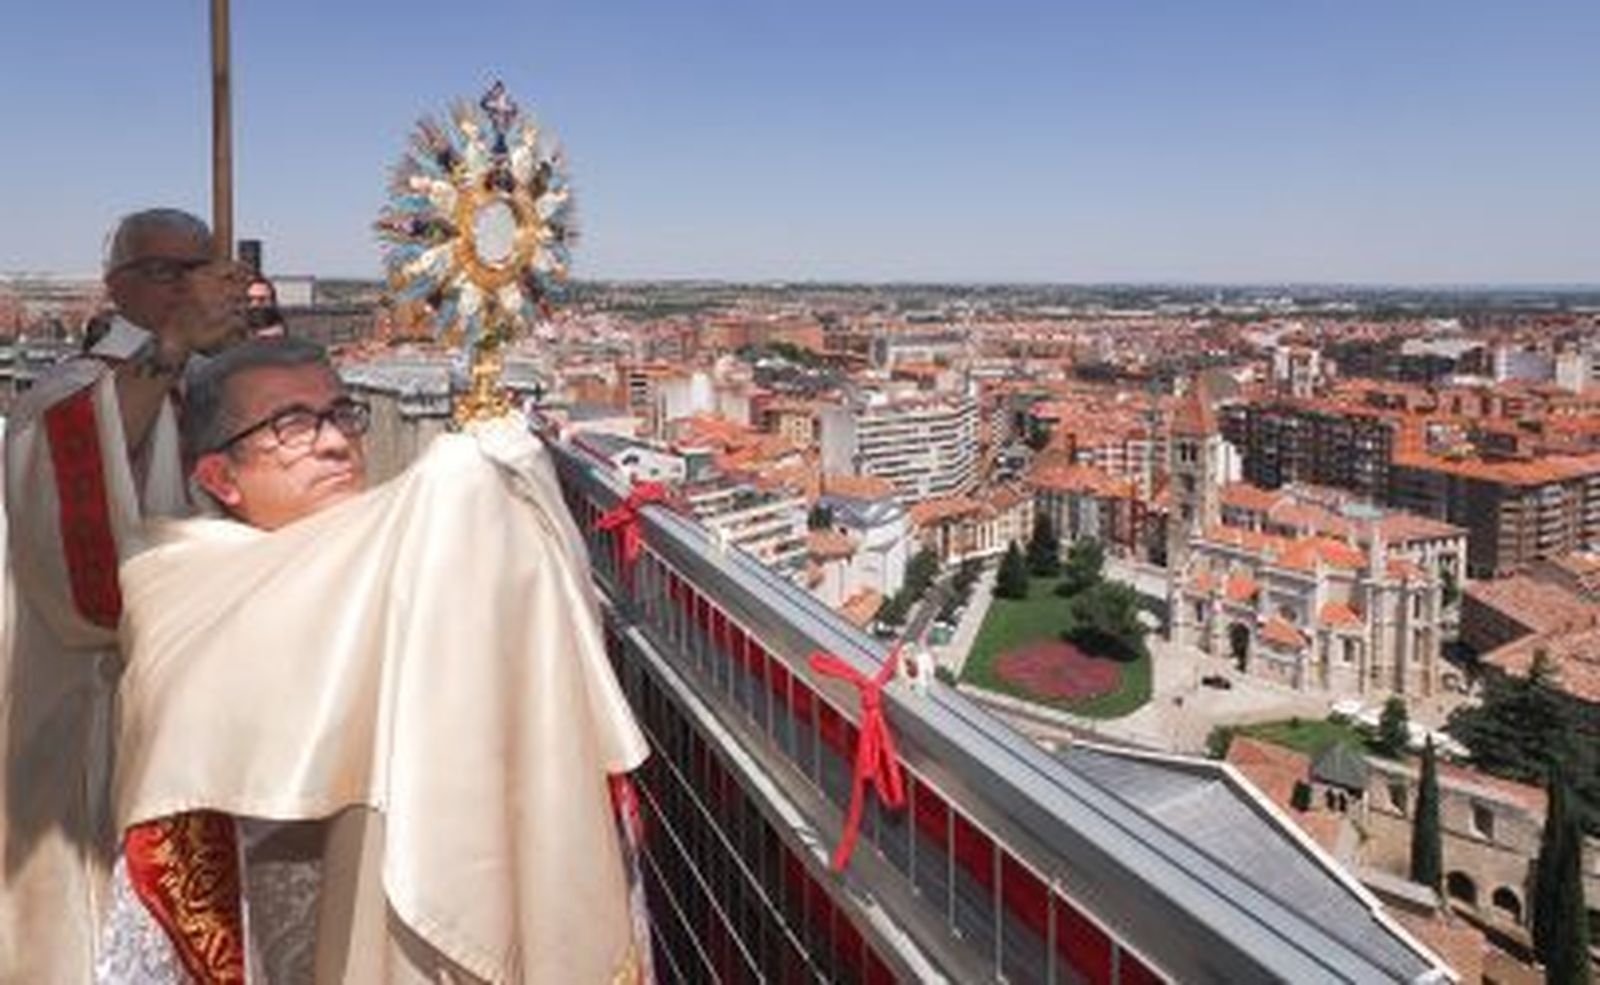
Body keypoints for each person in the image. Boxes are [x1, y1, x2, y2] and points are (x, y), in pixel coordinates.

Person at [115, 338, 652, 983]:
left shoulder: (401, 553)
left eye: (342, 413)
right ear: (220, 479)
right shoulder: (177, 574)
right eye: (290, 425)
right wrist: (463, 469)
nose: (337, 442)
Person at [0, 208, 246, 981]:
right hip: (93, 699)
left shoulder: (210, 384)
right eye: (168, 271)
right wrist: (172, 349)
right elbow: (71, 459)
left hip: (194, 702)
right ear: (116, 287)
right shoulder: (68, 390)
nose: (191, 284)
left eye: (204, 267)